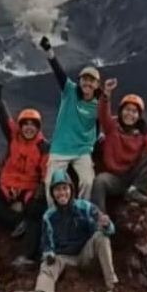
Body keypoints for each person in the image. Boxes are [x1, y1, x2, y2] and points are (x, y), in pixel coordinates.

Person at [0, 83, 49, 266]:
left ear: (38, 127)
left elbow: (46, 172)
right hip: (7, 186)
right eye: (25, 124)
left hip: (28, 189)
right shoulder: (14, 137)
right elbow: (4, 118)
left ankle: (27, 255)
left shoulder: (43, 146)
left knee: (35, 213)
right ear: (20, 126)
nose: (29, 128)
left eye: (33, 125)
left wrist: (42, 190)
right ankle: (16, 221)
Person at [12, 169, 118, 292]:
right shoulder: (48, 216)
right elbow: (46, 244)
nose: (62, 193)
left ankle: (111, 286)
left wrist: (107, 225)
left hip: (84, 255)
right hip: (64, 259)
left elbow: (110, 230)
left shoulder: (85, 207)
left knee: (102, 237)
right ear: (52, 193)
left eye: (64, 188)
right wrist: (49, 254)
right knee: (47, 263)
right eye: (57, 189)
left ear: (71, 190)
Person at [38, 36, 100, 204]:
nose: (87, 83)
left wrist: (95, 141)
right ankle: (54, 214)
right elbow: (58, 72)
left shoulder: (98, 105)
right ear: (79, 81)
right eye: (84, 79)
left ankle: (81, 211)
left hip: (82, 150)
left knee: (88, 181)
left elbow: (101, 124)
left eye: (92, 80)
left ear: (97, 85)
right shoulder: (69, 91)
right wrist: (48, 50)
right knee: (50, 182)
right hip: (60, 148)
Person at [91, 78, 147, 213]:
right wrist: (106, 93)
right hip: (115, 178)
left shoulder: (144, 132)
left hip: (134, 174)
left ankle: (135, 191)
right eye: (127, 109)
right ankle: (100, 224)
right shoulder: (111, 125)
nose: (130, 114)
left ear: (139, 115)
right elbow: (102, 114)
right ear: (121, 111)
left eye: (134, 111)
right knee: (99, 181)